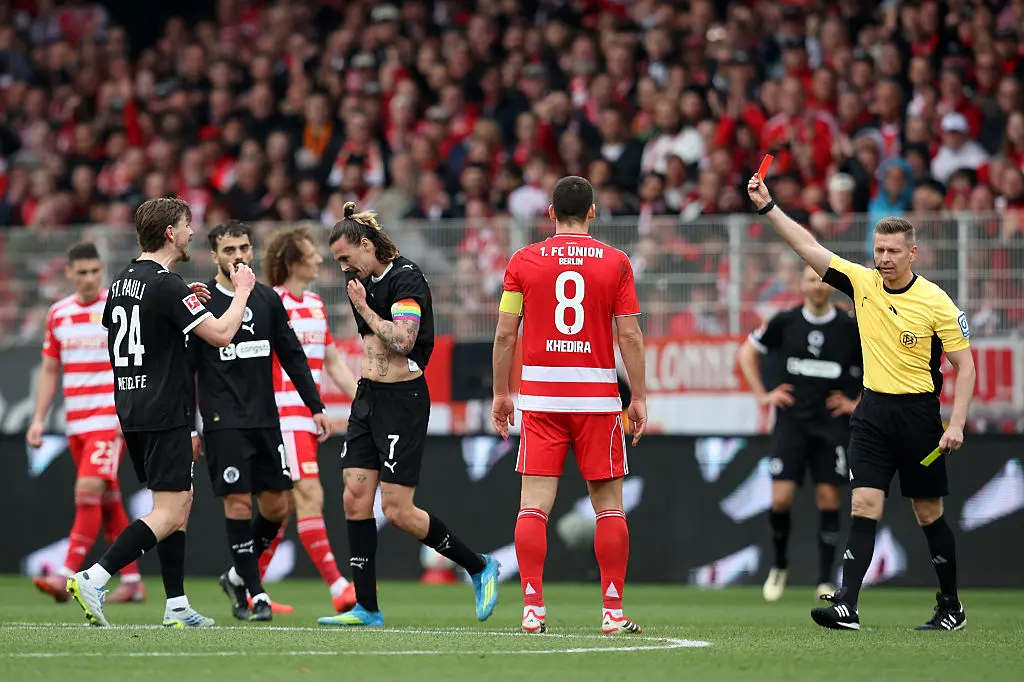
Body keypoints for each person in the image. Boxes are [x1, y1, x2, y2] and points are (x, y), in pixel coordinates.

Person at [747, 175, 976, 631]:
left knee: (927, 512)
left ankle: (951, 606)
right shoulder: (862, 283)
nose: (884, 258)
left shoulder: (936, 303)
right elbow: (807, 248)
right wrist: (768, 207)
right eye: (879, 249)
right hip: (871, 413)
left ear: (913, 253)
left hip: (918, 416)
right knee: (863, 504)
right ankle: (847, 604)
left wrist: (957, 424)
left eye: (893, 251)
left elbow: (965, 368)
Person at [66, 197, 255, 628]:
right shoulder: (167, 284)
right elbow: (223, 335)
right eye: (188, 226)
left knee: (176, 506)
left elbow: (136, 328)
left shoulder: (122, 282)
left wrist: (183, 301)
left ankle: (176, 606)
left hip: (132, 408)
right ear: (170, 232)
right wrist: (242, 289)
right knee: (169, 512)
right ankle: (94, 577)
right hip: (166, 409)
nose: (192, 233)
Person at [316, 201, 500, 628]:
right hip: (368, 399)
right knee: (354, 496)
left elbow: (403, 339)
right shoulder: (362, 280)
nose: (343, 268)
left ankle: (477, 565)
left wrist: (362, 308)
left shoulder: (406, 278)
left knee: (398, 511)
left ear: (366, 245)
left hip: (403, 404)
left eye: (346, 258)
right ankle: (367, 607)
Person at [491, 175, 649, 635]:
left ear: (550, 213)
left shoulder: (523, 261)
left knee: (533, 508)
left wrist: (502, 393)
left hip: (541, 398)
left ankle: (533, 609)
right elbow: (630, 335)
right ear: (594, 212)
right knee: (609, 509)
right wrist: (637, 396)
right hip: (597, 399)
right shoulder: (616, 262)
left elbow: (505, 332)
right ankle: (613, 612)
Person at [188, 220, 332, 622]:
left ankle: (236, 577)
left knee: (278, 505)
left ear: (252, 252)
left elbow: (293, 357)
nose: (238, 256)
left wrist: (316, 406)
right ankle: (256, 593)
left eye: (244, 249)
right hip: (221, 420)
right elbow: (187, 372)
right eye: (229, 250)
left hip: (266, 420)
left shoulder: (268, 300)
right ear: (214, 255)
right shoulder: (198, 302)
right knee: (237, 503)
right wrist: (190, 428)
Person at [28, 243, 146, 605]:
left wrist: (126, 413)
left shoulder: (117, 309)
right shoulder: (58, 314)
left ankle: (66, 574)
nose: (90, 278)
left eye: (95, 271)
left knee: (88, 490)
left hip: (108, 419)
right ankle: (132, 582)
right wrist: (38, 418)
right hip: (76, 423)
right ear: (70, 273)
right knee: (108, 501)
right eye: (82, 272)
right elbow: (50, 369)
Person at [737, 265, 863, 603]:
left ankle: (824, 578)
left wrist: (856, 403)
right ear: (801, 285)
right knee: (780, 499)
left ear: (832, 286)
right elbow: (747, 352)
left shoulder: (849, 327)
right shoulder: (785, 321)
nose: (818, 285)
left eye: (823, 279)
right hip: (791, 424)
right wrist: (764, 395)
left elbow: (878, 364)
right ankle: (778, 566)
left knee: (829, 499)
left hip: (830, 425)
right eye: (811, 279)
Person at [253, 225, 359, 614]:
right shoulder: (268, 303)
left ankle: (248, 586)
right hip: (281, 416)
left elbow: (331, 361)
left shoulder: (315, 305)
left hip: (305, 418)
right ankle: (338, 587)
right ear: (293, 261)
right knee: (310, 496)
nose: (319, 257)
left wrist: (363, 400)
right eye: (311, 252)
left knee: (282, 506)